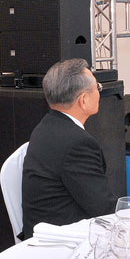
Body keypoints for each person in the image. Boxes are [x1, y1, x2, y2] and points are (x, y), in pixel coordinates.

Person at [21, 58, 118, 239]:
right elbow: (104, 209)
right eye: (97, 88)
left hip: (42, 232)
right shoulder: (77, 143)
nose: (99, 93)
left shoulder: (45, 127)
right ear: (83, 100)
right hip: (63, 242)